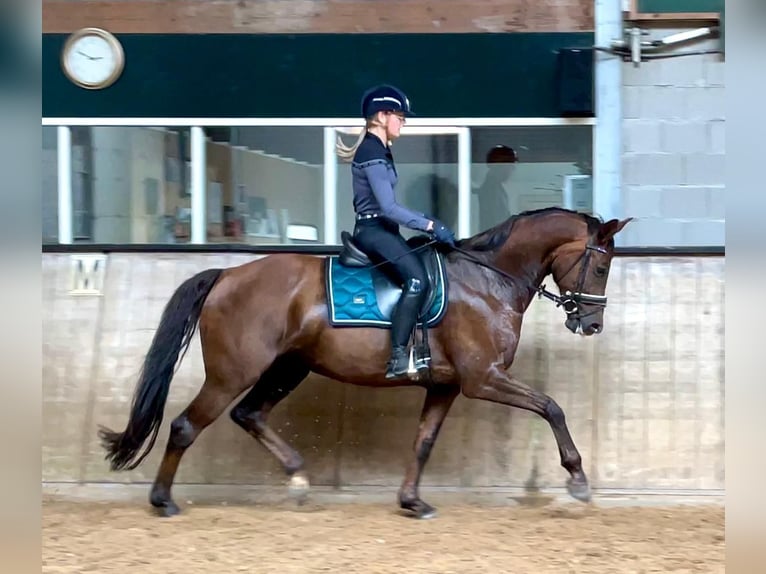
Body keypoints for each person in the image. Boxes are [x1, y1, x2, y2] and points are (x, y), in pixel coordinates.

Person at [336, 84, 456, 380]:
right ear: (381, 116)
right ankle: (398, 356)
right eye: (399, 116)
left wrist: (426, 219)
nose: (403, 121)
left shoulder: (381, 151)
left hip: (383, 229)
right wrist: (429, 225)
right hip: (373, 230)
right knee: (416, 280)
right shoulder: (371, 152)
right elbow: (388, 207)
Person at [475, 144, 518, 231]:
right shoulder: (490, 190)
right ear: (500, 166)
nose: (513, 170)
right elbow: (497, 224)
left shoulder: (493, 187)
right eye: (511, 166)